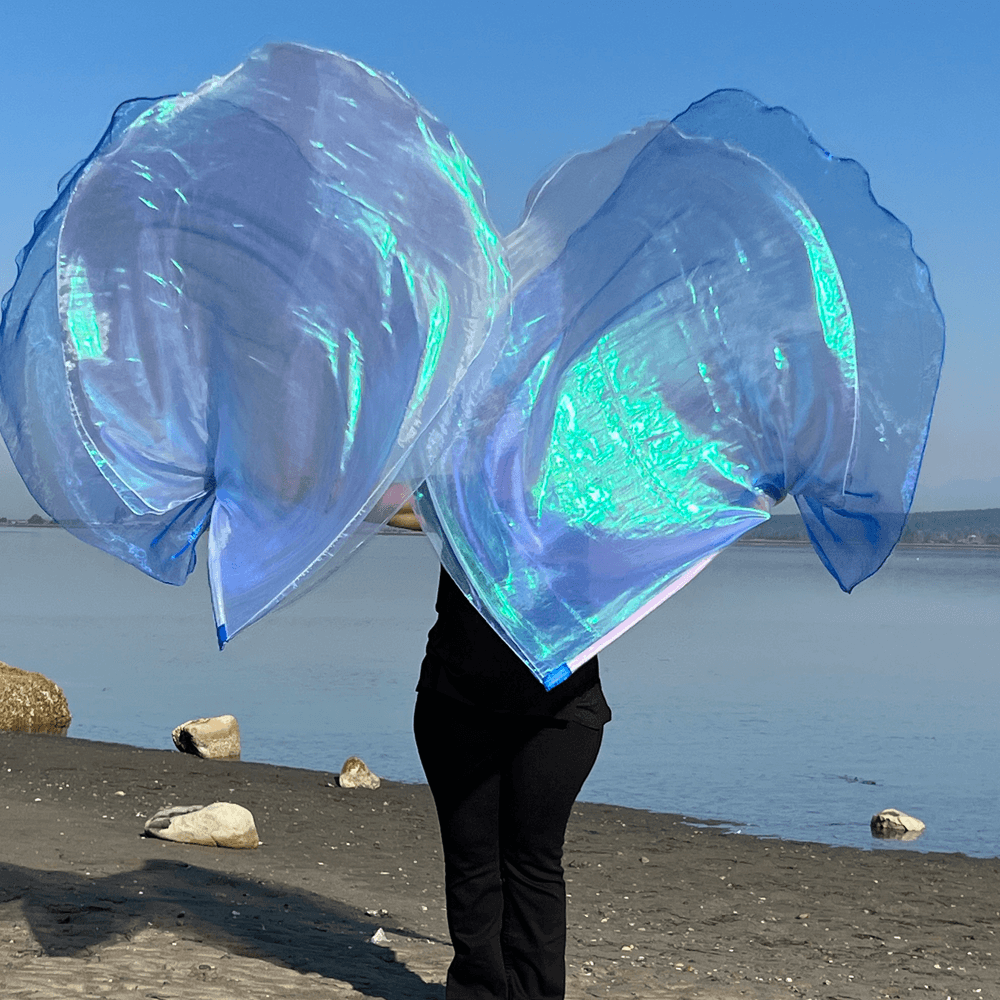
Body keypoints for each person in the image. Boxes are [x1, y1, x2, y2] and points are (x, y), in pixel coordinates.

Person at [412, 556, 611, 1000]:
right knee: (472, 862)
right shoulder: (463, 508)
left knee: (533, 862)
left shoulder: (581, 512)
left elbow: (647, 536)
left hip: (560, 708)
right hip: (456, 697)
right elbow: (400, 512)